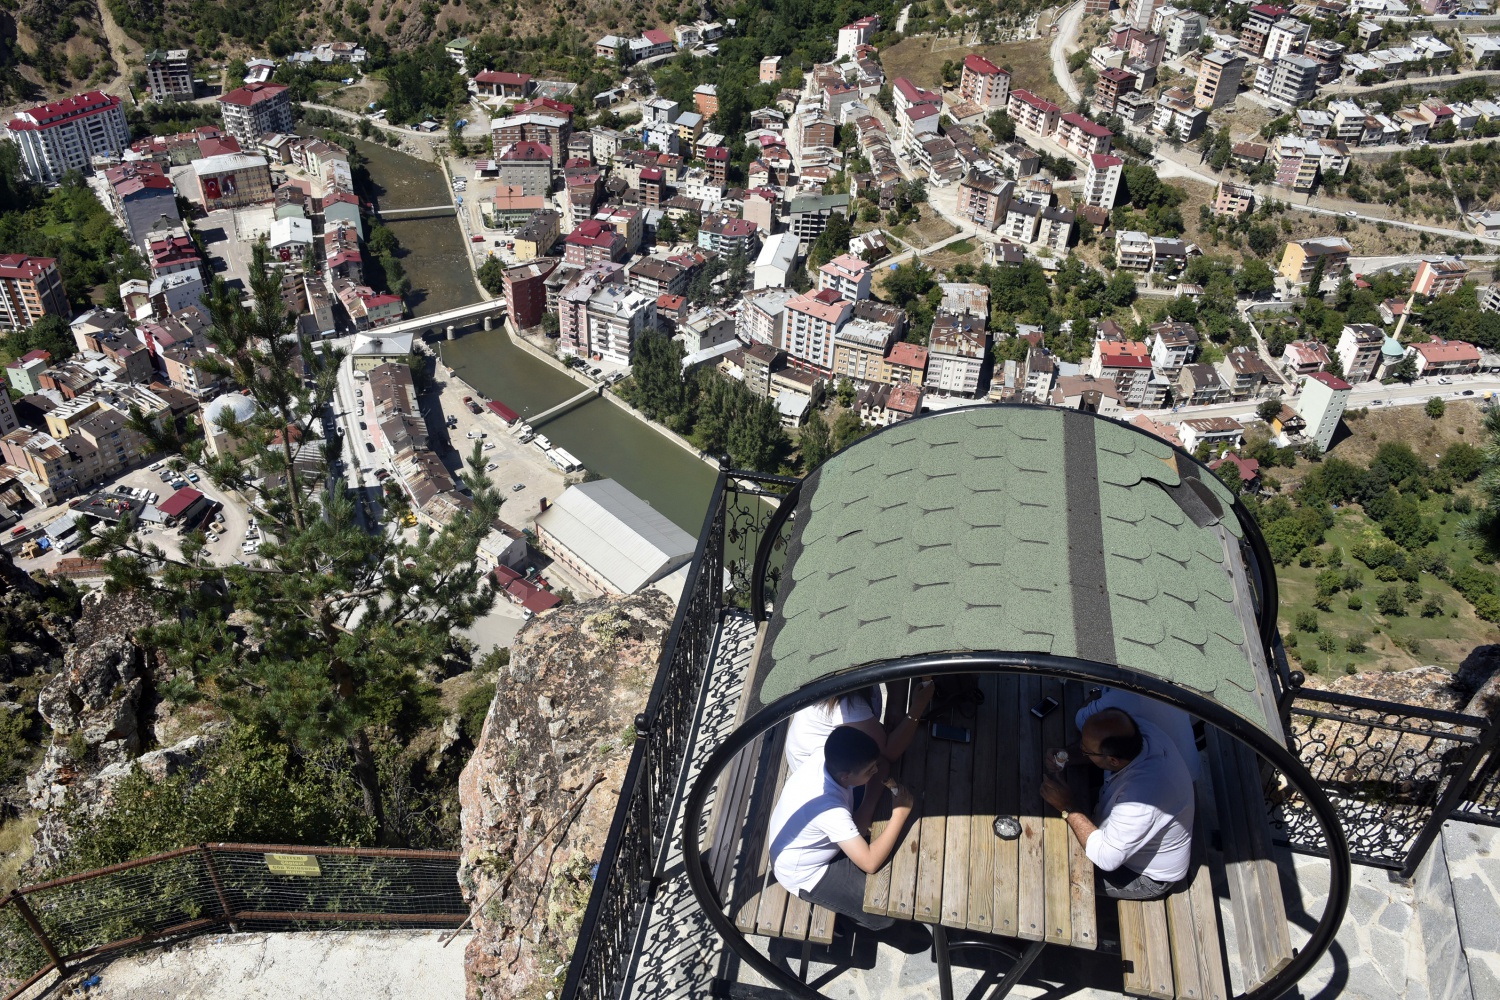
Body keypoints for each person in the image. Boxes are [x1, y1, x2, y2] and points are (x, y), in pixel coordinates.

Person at [768, 727, 916, 931]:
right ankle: (843, 920)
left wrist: (866, 811)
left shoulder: (825, 755)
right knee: (883, 912)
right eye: (868, 770)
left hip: (808, 839)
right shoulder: (829, 809)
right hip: (807, 873)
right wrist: (900, 813)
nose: (874, 771)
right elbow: (870, 862)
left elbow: (882, 765)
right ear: (845, 776)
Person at [1040, 707, 1194, 901]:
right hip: (1121, 821)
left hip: (1141, 874)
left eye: (1085, 750)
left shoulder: (1141, 800)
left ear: (1112, 760)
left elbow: (1106, 857)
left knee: (1051, 870)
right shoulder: (1141, 733)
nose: (1080, 750)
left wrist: (1068, 807)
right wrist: (1067, 756)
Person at [783, 679, 936, 775]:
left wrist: (895, 705)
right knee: (886, 769)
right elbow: (889, 752)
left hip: (840, 758)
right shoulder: (848, 703)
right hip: (828, 777)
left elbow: (894, 659)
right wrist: (917, 708)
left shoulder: (843, 679)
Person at [1075, 687, 1201, 782]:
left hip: (1170, 780)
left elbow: (1083, 722)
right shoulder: (1153, 677)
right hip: (1184, 768)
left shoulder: (1128, 696)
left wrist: (1067, 806)